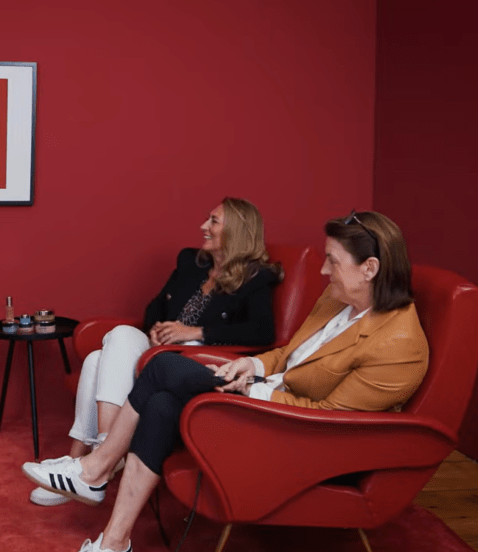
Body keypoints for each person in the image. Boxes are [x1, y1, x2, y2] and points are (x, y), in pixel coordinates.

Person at [23, 210, 428, 552]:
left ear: (370, 268)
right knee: (162, 403)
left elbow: (331, 419)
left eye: (333, 261)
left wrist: (254, 390)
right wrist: (252, 368)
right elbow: (289, 354)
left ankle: (94, 471)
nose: (323, 271)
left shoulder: (399, 344)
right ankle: (114, 541)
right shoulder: (339, 299)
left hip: (299, 435)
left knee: (163, 367)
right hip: (269, 399)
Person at [30, 197, 281, 507]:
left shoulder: (257, 278)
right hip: (159, 350)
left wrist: (196, 333)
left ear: (238, 232)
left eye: (213, 221)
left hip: (194, 360)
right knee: (105, 351)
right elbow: (155, 307)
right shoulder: (192, 262)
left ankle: (97, 461)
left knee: (109, 346)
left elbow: (261, 333)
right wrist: (156, 329)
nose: (204, 226)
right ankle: (88, 464)